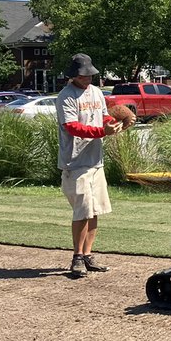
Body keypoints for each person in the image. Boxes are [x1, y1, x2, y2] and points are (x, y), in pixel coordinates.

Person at [55, 53, 125, 278]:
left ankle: (88, 255)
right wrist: (102, 131)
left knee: (95, 210)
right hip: (76, 162)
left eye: (90, 74)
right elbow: (72, 127)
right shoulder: (66, 96)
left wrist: (114, 123)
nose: (88, 78)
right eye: (84, 75)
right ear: (74, 75)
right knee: (82, 211)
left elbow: (103, 117)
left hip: (96, 161)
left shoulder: (96, 92)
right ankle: (76, 257)